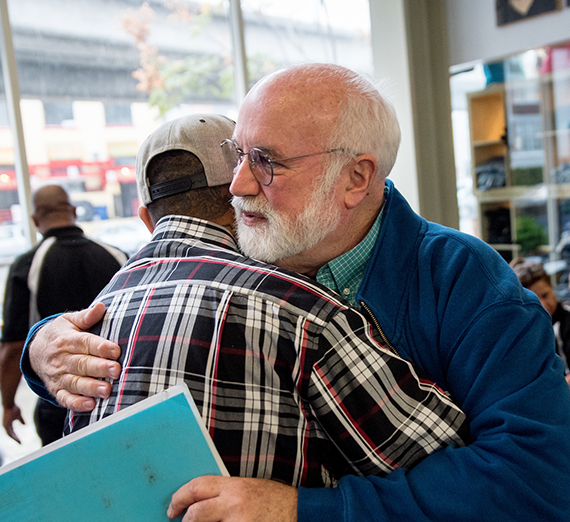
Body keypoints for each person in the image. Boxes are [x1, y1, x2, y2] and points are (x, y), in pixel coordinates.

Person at [21, 64, 570, 522]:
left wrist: (303, 511)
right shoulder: (254, 255)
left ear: (355, 178)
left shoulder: (468, 286)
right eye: (238, 155)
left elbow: (536, 481)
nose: (235, 185)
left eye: (266, 162)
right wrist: (43, 348)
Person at [0, 184, 127, 446]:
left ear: (35, 220)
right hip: (117, 398)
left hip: (59, 404)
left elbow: (13, 348)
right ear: (73, 211)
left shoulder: (28, 265)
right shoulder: (116, 256)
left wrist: (8, 404)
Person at [510, 257, 570, 385]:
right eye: (535, 300)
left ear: (552, 288)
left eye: (545, 295)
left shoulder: (566, 322)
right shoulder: (522, 331)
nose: (543, 305)